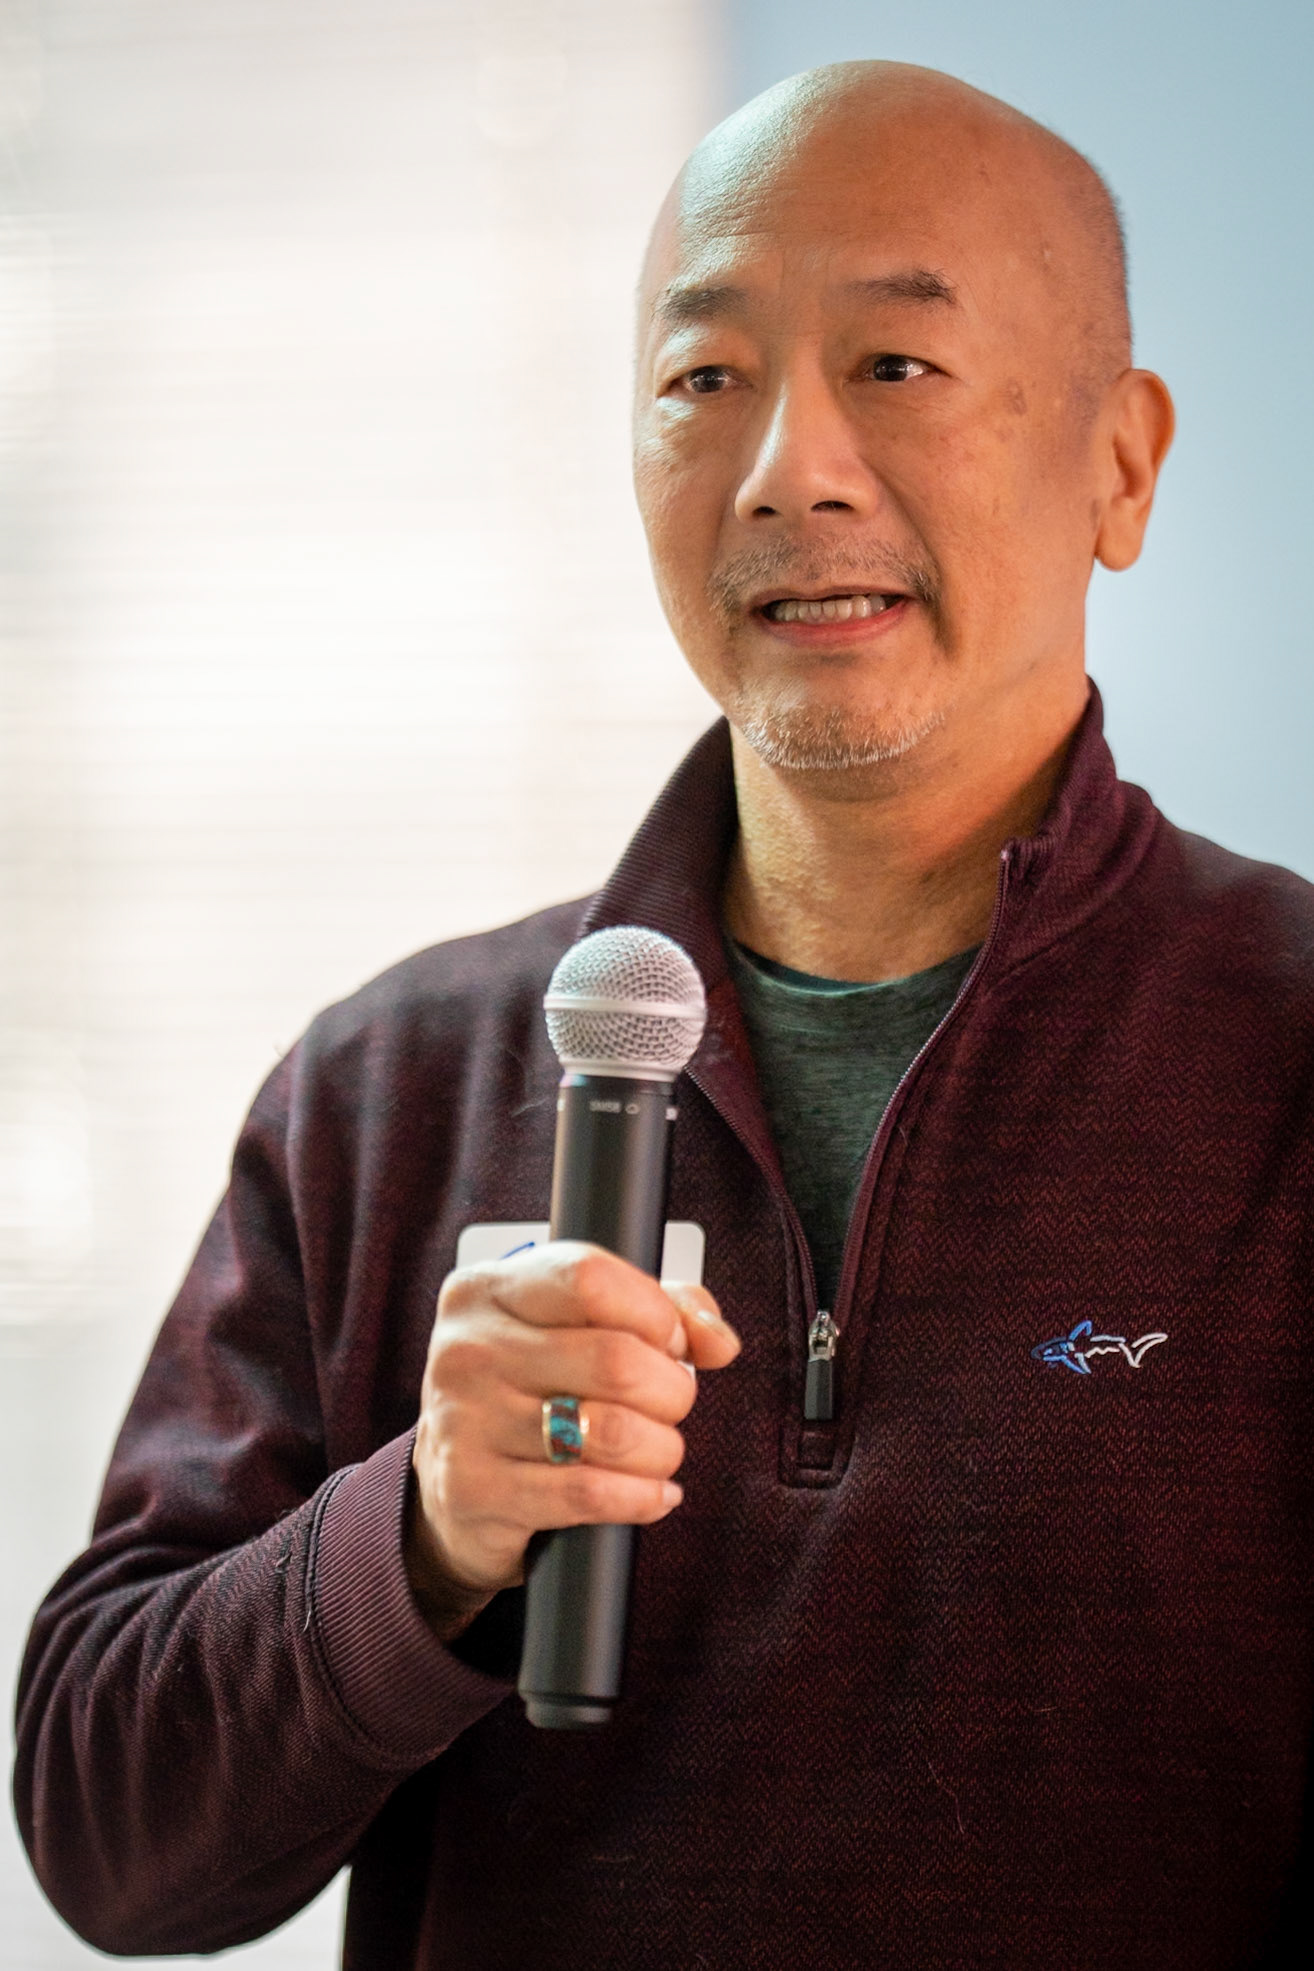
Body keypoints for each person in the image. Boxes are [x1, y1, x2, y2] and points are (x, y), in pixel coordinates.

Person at [13, 59, 1313, 1970]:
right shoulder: (390, 1085)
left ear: (1119, 465)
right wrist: (424, 1533)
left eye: (894, 364)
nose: (788, 468)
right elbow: (108, 1845)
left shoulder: (1284, 1055)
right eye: (704, 379)